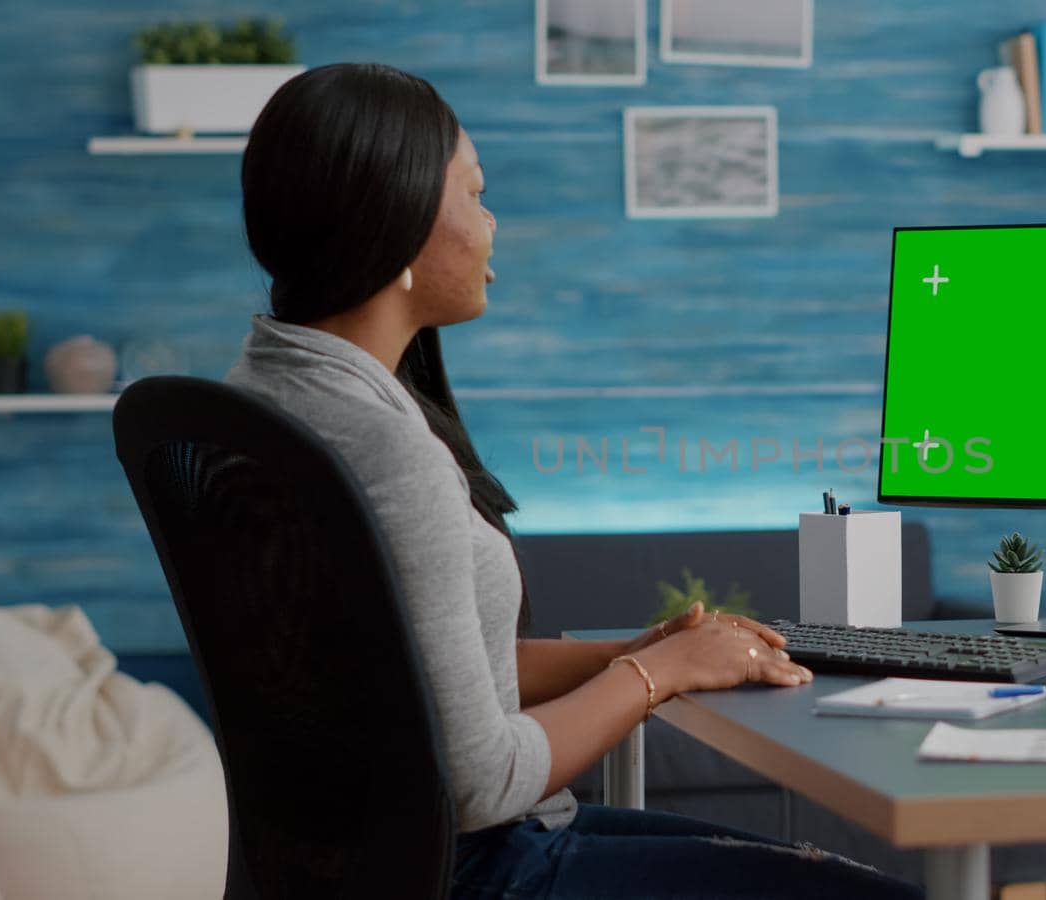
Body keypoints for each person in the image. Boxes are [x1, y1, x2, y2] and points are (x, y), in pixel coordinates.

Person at [225, 62, 923, 900]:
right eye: (476, 195)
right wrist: (655, 679)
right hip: (479, 869)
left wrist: (629, 651)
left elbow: (419, 681)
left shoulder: (270, 392)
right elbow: (479, 781)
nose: (491, 225)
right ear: (403, 223)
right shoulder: (384, 450)